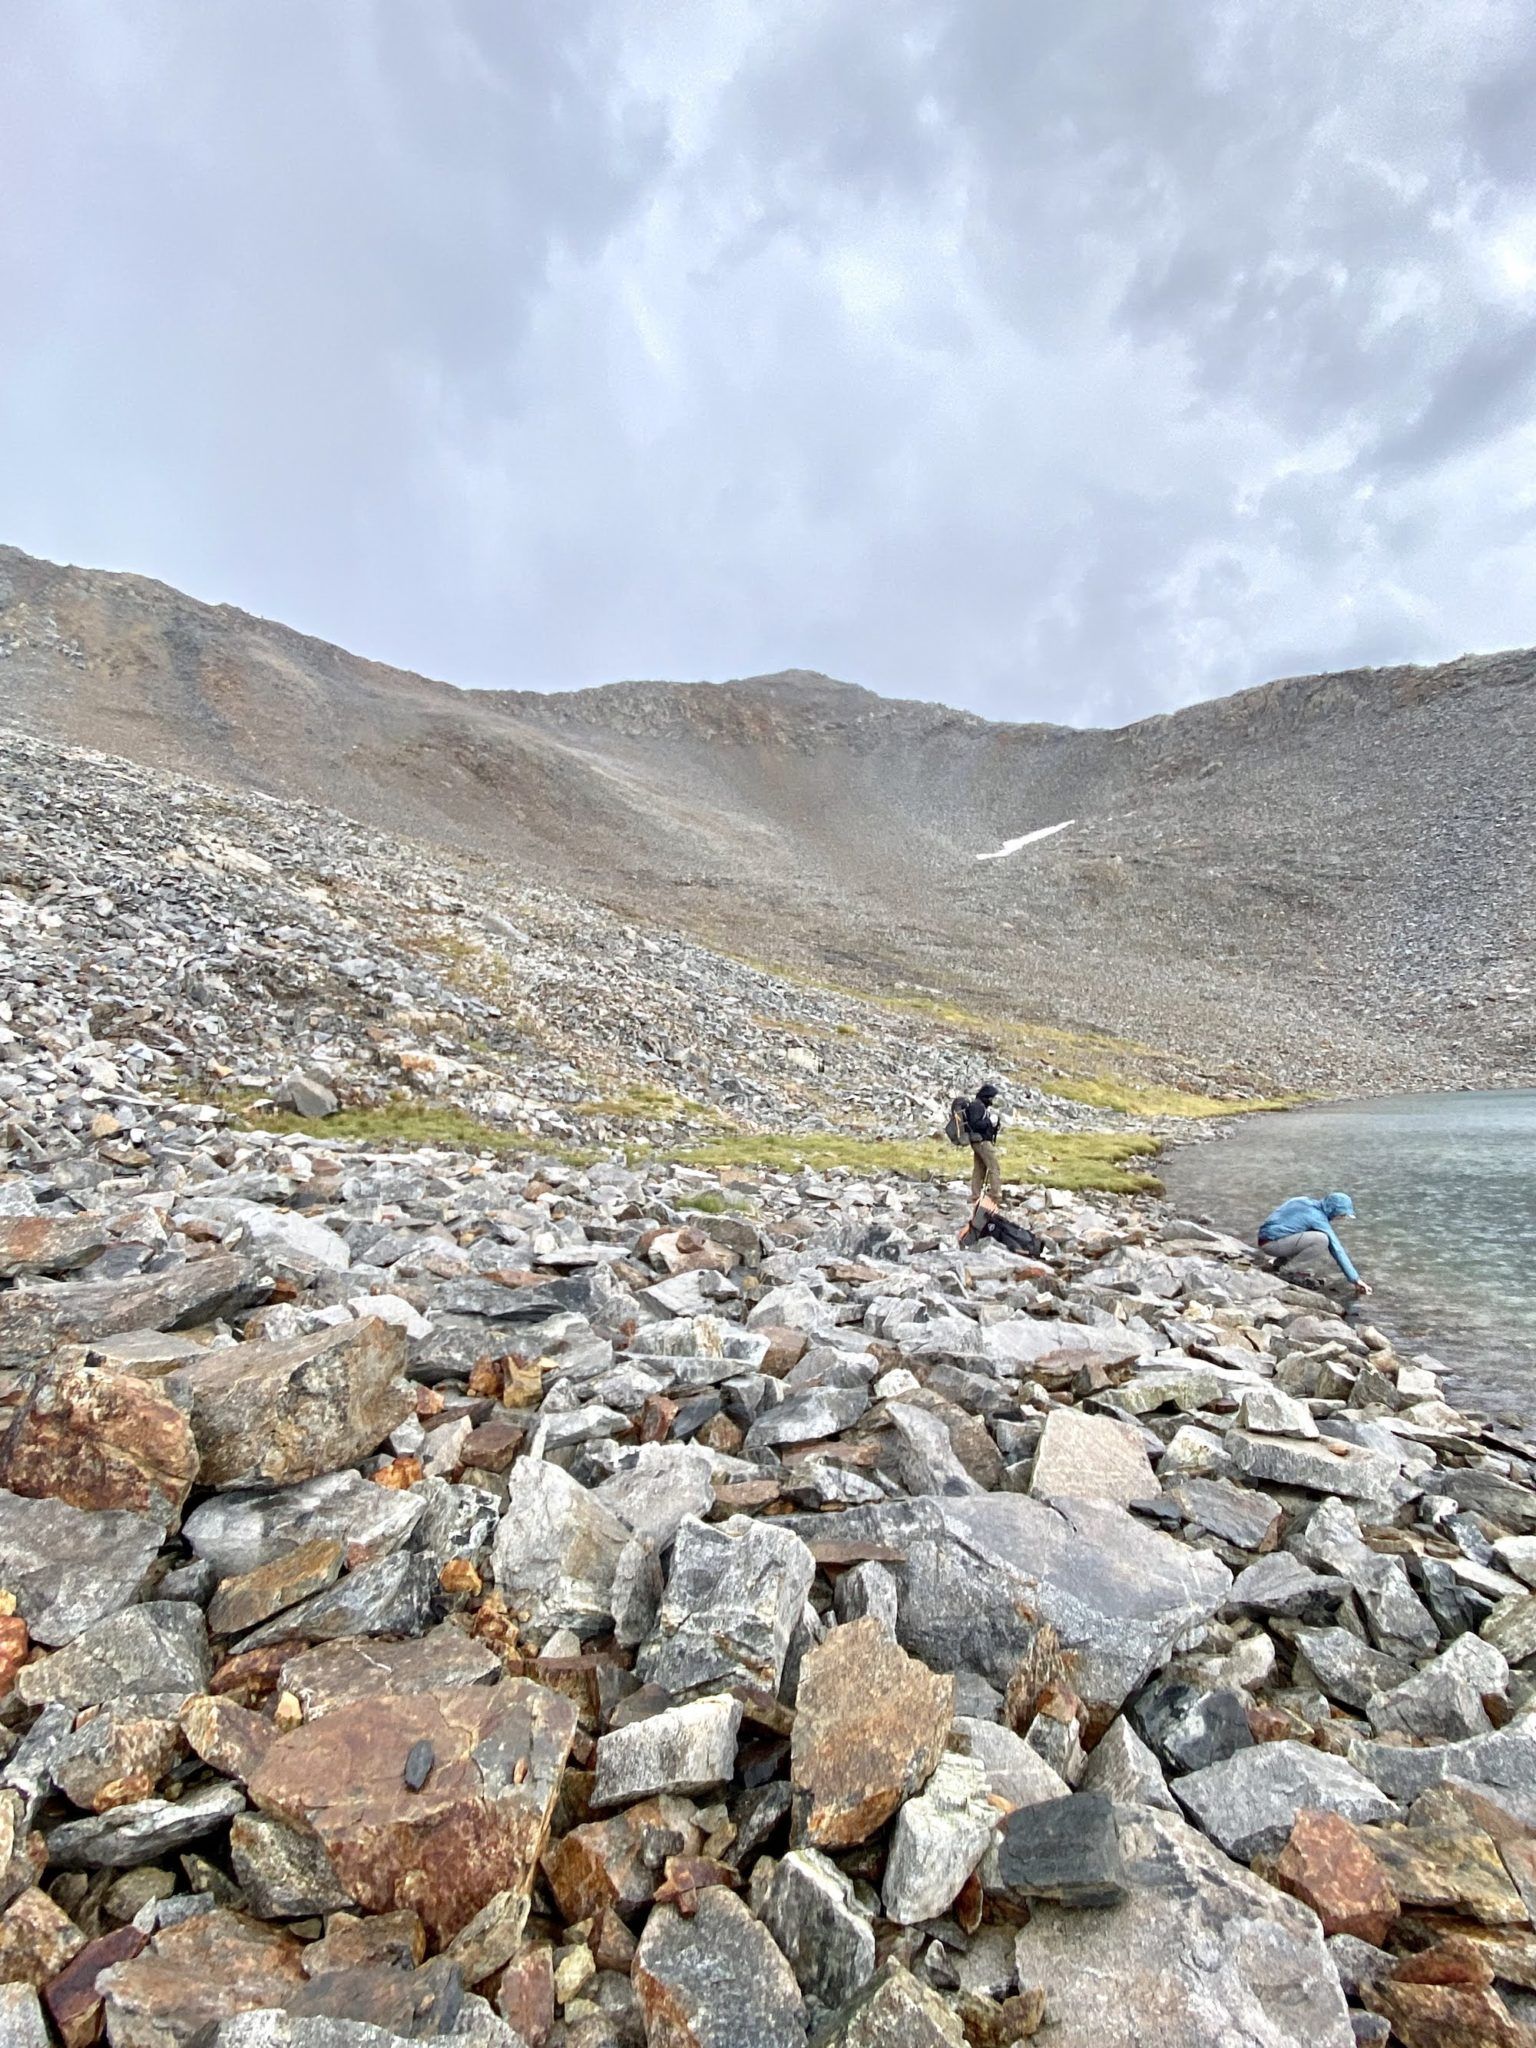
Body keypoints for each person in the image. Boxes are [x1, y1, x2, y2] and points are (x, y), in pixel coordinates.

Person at [1257, 1192, 1371, 1297]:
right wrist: (1355, 1279)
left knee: (1304, 1232)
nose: (1340, 1219)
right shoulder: (1317, 1217)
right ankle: (1287, 1272)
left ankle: (1277, 1264)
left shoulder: (1302, 1200)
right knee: (1321, 1239)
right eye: (1341, 1215)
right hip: (1272, 1244)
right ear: (1333, 1210)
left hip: (1265, 1238)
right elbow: (1336, 1248)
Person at [964, 1080, 1004, 1203]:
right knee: (994, 1167)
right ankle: (995, 1195)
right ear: (986, 1096)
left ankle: (975, 1195)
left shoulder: (978, 1106)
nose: (992, 1100)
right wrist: (990, 1122)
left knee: (980, 1168)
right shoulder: (977, 1107)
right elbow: (975, 1124)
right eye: (991, 1098)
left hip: (978, 1141)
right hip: (982, 1142)